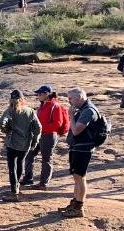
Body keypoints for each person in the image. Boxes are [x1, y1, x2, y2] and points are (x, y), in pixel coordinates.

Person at [61, 87, 103, 218]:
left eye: (71, 98)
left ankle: (79, 207)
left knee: (80, 177)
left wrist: (71, 117)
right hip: (78, 147)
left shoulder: (88, 111)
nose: (69, 101)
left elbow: (76, 131)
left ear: (79, 97)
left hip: (83, 148)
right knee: (76, 177)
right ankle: (75, 203)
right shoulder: (83, 109)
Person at [21, 85, 70, 189]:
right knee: (30, 155)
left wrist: (41, 129)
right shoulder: (43, 105)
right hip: (40, 135)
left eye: (39, 93)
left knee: (46, 158)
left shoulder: (54, 105)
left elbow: (58, 123)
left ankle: (44, 183)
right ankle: (28, 178)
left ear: (47, 94)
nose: (37, 95)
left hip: (49, 135)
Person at [0, 89, 42, 201]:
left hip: (12, 143)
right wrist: (35, 141)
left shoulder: (10, 110)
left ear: (11, 100)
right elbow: (38, 128)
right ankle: (17, 187)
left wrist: (5, 130)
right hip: (25, 144)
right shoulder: (30, 111)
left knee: (12, 166)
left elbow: (2, 121)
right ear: (22, 99)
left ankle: (14, 191)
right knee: (20, 163)